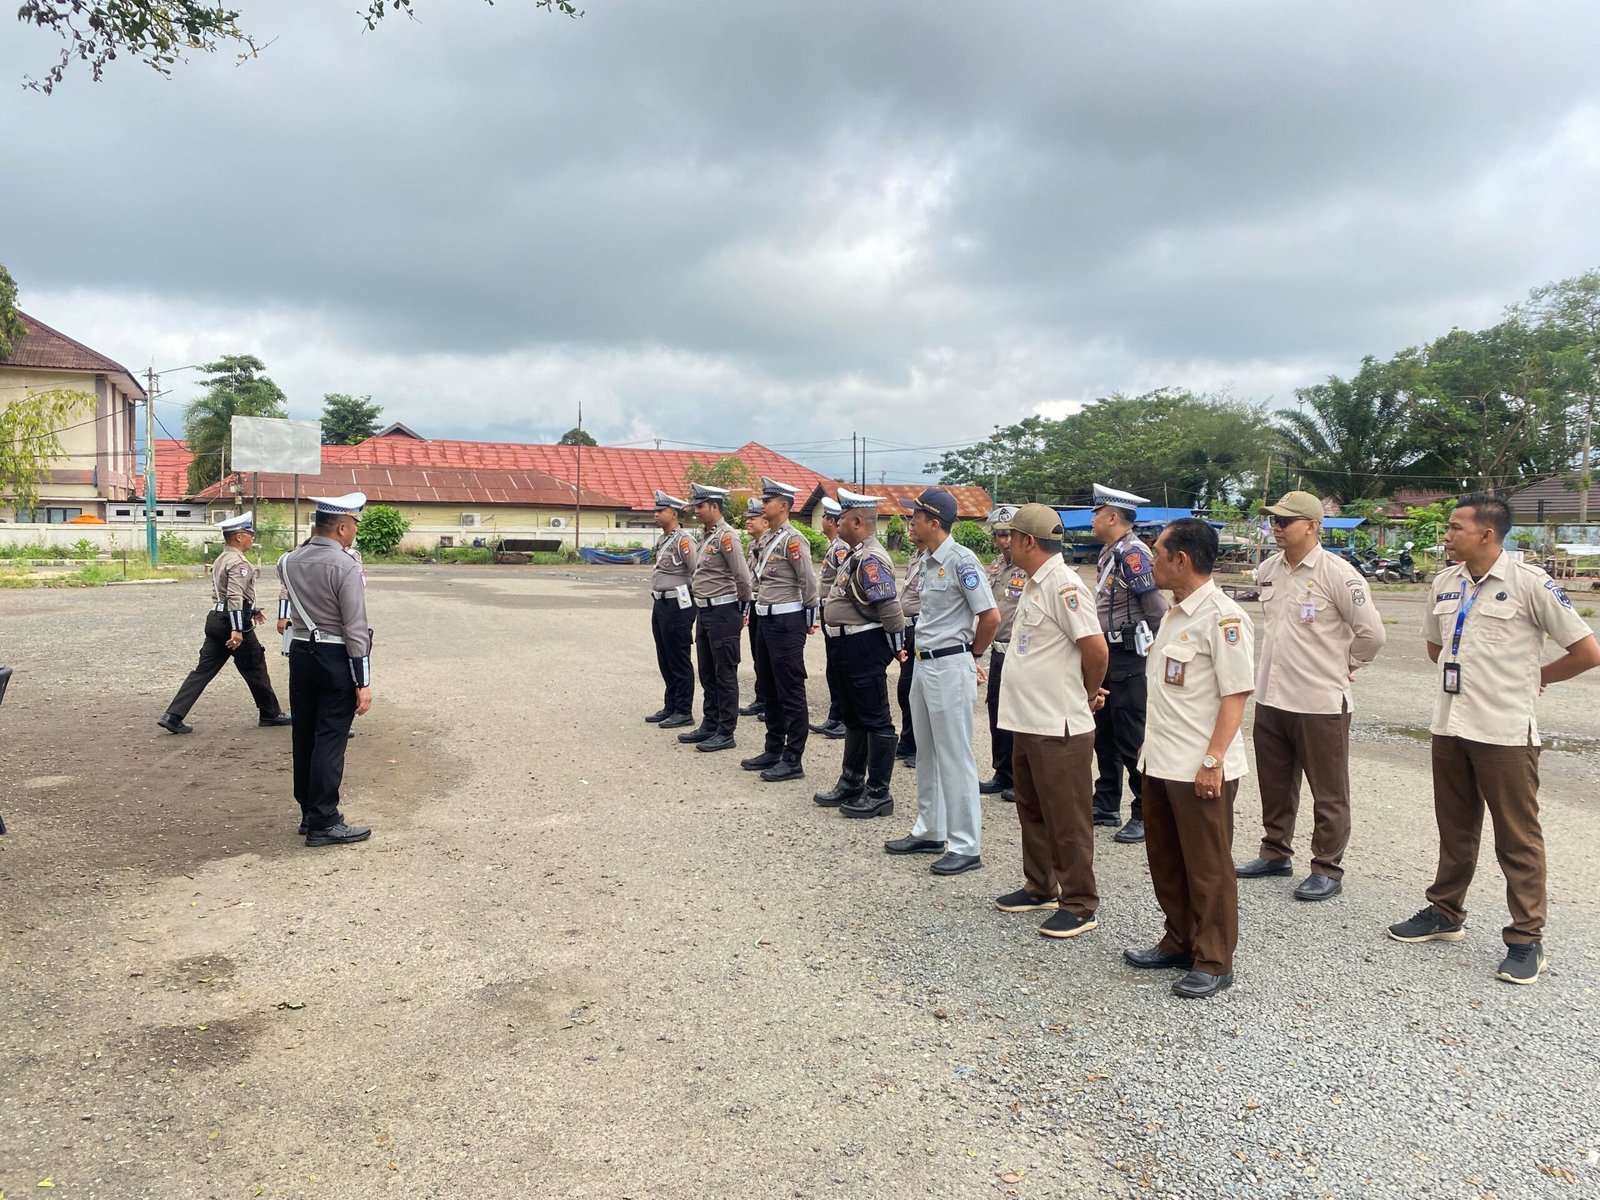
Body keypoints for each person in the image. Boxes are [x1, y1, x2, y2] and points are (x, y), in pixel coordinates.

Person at [1388, 493, 1600, 985]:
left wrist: (1536, 675)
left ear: (1487, 534)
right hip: (1451, 724)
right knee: (1455, 827)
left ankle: (1527, 940)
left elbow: (1588, 651)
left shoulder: (1530, 584)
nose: (1446, 534)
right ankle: (1445, 913)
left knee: (1517, 837)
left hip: (1504, 731)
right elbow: (1435, 646)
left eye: (1456, 527)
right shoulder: (1445, 582)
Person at [1124, 517, 1253, 999]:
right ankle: (1178, 940)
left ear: (1181, 559)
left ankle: (1215, 959)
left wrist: (1214, 760)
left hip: (1199, 766)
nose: (1150, 560)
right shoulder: (1175, 613)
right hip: (1161, 761)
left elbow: (1235, 694)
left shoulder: (1223, 617)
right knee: (1167, 859)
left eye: (1157, 552)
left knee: (1208, 866)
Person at [1235, 490, 1386, 900]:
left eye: (1286, 521)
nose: (1277, 528)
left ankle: (1326, 867)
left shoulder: (1339, 574)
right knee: (1276, 783)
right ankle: (1274, 852)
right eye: (1274, 521)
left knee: (1329, 791)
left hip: (1320, 701)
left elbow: (1371, 634)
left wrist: (1348, 664)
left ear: (1313, 526)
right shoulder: (1270, 569)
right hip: (1273, 695)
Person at [993, 504, 1109, 939]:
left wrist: (1087, 692)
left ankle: (1079, 902)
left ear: (1027, 541)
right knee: (1033, 809)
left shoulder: (1064, 586)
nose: (1003, 543)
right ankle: (1040, 885)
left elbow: (1096, 650)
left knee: (1067, 817)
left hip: (1058, 724)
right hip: (1029, 719)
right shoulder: (1035, 584)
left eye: (1010, 536)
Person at [884, 487, 999, 876]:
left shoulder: (962, 562)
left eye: (914, 516)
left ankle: (966, 844)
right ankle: (930, 829)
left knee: (956, 756)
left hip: (951, 666)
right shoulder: (925, 559)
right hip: (924, 664)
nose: (909, 522)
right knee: (928, 753)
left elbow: (990, 616)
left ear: (934, 522)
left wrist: (974, 656)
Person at [278, 493, 374, 847]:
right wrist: (362, 681)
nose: (353, 535)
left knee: (304, 734)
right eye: (353, 528)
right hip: (335, 658)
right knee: (330, 739)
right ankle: (324, 820)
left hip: (301, 653)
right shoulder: (345, 565)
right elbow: (355, 627)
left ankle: (307, 811)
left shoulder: (287, 560)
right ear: (343, 527)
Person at [812, 488, 907, 818]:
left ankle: (879, 791)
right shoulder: (855, 553)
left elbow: (889, 605)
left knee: (875, 717)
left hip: (863, 645)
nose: (836, 523)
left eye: (841, 518)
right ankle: (852, 780)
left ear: (857, 521)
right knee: (853, 714)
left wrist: (897, 648)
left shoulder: (871, 558)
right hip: (845, 644)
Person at [158, 512, 292, 735]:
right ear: (239, 537)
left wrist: (252, 610)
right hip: (231, 622)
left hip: (215, 620)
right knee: (255, 665)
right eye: (250, 534)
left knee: (203, 670)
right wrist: (238, 629)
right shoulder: (240, 563)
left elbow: (223, 594)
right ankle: (270, 713)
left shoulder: (221, 558)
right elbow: (234, 596)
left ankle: (173, 715)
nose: (252, 538)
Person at [1090, 483, 1169, 844]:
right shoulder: (1110, 552)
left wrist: (1151, 650)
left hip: (1128, 657)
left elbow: (1155, 610)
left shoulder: (1133, 555)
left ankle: (1144, 811)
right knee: (1103, 733)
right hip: (1108, 654)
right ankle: (1106, 802)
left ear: (1112, 517)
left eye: (1096, 512)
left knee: (1131, 736)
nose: (1092, 519)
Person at [740, 477, 820, 782]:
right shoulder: (764, 540)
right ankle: (773, 748)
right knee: (769, 686)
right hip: (765, 619)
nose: (763, 505)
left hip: (787, 622)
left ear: (783, 506)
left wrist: (807, 616)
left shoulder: (793, 540)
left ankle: (793, 757)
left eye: (768, 501)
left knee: (790, 689)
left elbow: (808, 582)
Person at [679, 483, 754, 752]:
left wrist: (742, 607)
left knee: (725, 674)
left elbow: (743, 577)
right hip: (705, 611)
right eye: (696, 506)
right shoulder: (707, 536)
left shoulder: (726, 537)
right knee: (707, 672)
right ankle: (710, 723)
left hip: (723, 612)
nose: (696, 510)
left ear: (715, 507)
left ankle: (726, 730)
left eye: (701, 506)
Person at [981, 506, 1029, 802]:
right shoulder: (997, 566)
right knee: (996, 710)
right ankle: (1002, 771)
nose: (1005, 541)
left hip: (1021, 651)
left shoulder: (1031, 569)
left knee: (1018, 716)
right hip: (998, 651)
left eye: (1009, 534)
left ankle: (1020, 778)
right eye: (1000, 535)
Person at [644, 489, 699, 730]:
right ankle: (671, 704)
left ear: (674, 514)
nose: (656, 514)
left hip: (678, 604)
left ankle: (683, 710)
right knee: (664, 656)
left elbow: (697, 572)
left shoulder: (684, 540)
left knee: (678, 657)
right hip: (661, 603)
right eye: (656, 510)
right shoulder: (664, 539)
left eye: (661, 511)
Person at [811, 497, 851, 740]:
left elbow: (844, 584)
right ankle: (835, 715)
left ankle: (843, 718)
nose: (823, 521)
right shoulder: (834, 546)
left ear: (833, 522)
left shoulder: (842, 548)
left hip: (837, 613)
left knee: (840, 667)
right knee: (832, 667)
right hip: (827, 611)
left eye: (826, 517)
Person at [895, 544, 927, 767]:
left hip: (921, 630)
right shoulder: (916, 555)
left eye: (917, 520)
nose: (911, 526)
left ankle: (919, 746)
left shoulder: (936, 558)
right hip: (907, 629)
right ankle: (908, 740)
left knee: (918, 691)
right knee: (905, 689)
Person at [740, 499, 772, 719]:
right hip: (755, 603)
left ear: (766, 521)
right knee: (757, 654)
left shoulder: (774, 544)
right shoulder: (753, 546)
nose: (748, 521)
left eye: (753, 518)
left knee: (770, 657)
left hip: (771, 604)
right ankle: (761, 698)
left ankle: (772, 701)